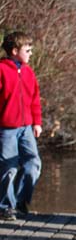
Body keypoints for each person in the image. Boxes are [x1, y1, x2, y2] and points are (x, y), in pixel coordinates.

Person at [0, 32, 42, 221]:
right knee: (9, 168)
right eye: (28, 50)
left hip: (26, 127)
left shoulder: (28, 71)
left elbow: (34, 98)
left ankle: (20, 201)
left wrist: (37, 122)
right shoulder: (1, 69)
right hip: (6, 128)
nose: (31, 53)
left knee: (33, 163)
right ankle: (5, 207)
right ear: (15, 51)